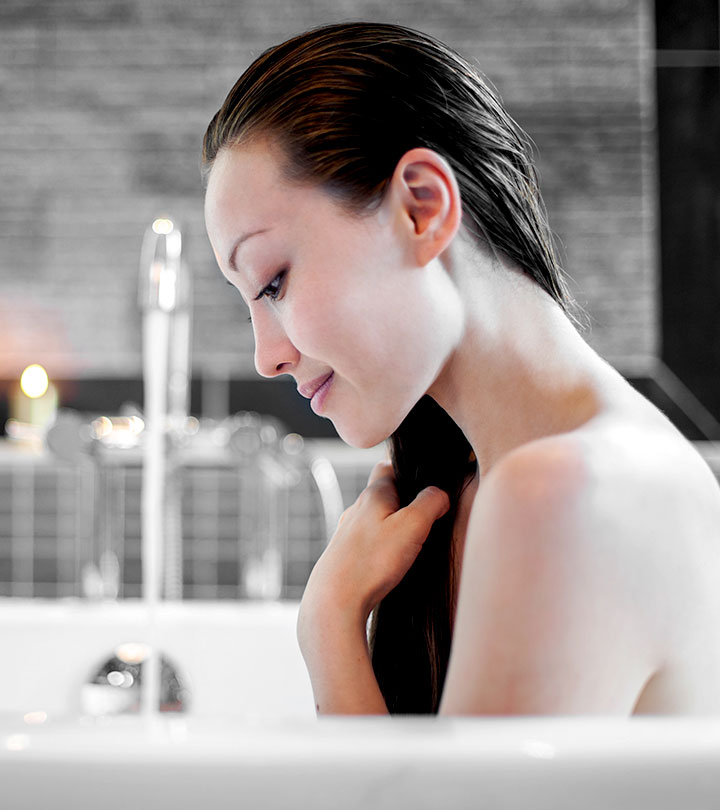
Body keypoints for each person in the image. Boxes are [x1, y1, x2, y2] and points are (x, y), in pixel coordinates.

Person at [202, 22, 720, 715]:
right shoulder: (482, 482)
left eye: (272, 283)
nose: (267, 355)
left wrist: (328, 629)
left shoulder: (566, 491)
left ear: (423, 207)